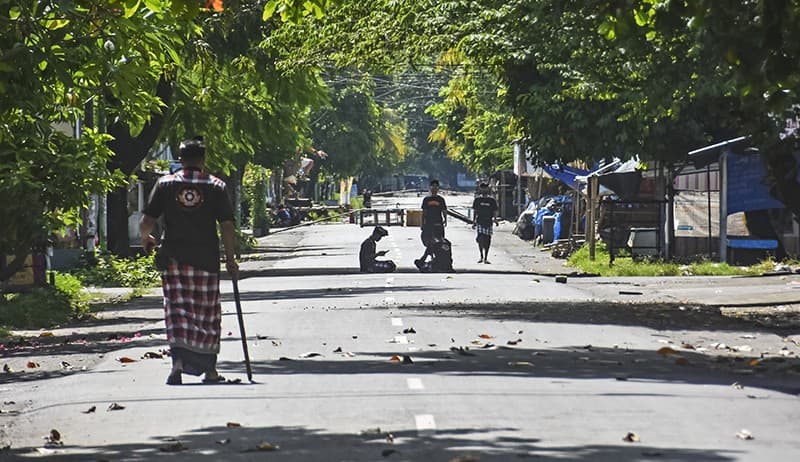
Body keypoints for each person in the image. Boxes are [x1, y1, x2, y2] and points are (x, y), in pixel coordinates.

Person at [139, 137, 239, 386]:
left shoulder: (165, 184)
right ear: (203, 160)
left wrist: (146, 238)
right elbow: (227, 225)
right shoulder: (216, 186)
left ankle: (177, 365)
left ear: (180, 159)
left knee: (177, 312)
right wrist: (230, 258)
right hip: (206, 260)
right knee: (207, 315)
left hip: (174, 259)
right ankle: (211, 372)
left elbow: (147, 222)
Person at [415, 179, 447, 266]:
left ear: (438, 188)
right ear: (430, 188)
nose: (434, 188)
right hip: (428, 223)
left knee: (438, 242)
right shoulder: (426, 199)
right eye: (433, 186)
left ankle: (430, 258)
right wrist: (422, 223)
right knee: (428, 241)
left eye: (436, 186)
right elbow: (424, 212)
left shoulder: (441, 199)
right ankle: (427, 257)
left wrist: (445, 219)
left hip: (438, 223)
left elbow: (444, 210)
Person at [472, 182, 499, 263]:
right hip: (480, 221)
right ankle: (481, 256)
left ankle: (486, 258)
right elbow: (475, 211)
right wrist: (474, 222)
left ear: (488, 189)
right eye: (482, 188)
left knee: (487, 240)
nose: (484, 189)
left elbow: (495, 211)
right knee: (480, 239)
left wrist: (495, 219)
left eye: (485, 188)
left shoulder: (491, 200)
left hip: (488, 222)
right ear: (480, 189)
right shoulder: (477, 200)